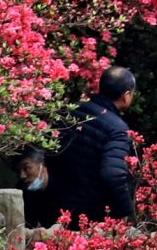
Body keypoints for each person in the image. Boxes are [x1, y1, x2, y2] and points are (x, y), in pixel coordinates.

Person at [51, 67, 138, 224]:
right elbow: (113, 175)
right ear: (126, 96)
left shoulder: (71, 111)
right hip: (90, 213)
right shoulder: (117, 129)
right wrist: (126, 210)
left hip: (57, 203)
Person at [15, 147, 59, 229]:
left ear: (42, 165)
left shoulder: (63, 186)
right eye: (18, 170)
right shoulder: (21, 192)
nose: (22, 175)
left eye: (26, 168)